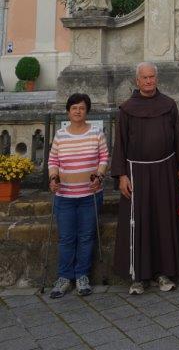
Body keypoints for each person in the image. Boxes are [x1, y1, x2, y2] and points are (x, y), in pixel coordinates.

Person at [111, 62, 179, 294]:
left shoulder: (168, 104)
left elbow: (177, 135)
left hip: (165, 170)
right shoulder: (127, 109)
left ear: (157, 78)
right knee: (139, 223)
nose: (148, 81)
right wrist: (122, 175)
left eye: (152, 77)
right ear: (137, 81)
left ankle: (164, 274)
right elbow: (120, 144)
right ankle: (138, 276)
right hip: (136, 173)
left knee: (163, 222)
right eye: (144, 78)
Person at [48, 93, 108, 298]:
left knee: (86, 237)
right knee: (66, 238)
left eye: (81, 108)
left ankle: (82, 276)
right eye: (74, 108)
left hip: (90, 195)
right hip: (64, 196)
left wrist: (99, 176)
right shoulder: (60, 135)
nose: (78, 111)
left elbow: (104, 157)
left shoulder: (96, 133)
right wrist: (53, 178)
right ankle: (64, 278)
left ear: (87, 111)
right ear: (68, 111)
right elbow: (53, 161)